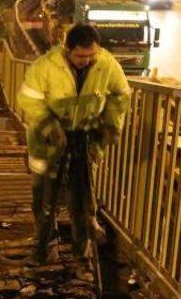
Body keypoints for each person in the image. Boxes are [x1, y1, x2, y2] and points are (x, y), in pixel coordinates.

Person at [17, 23, 130, 279]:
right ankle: (44, 248)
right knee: (44, 200)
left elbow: (120, 96)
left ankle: (82, 258)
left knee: (81, 203)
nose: (86, 61)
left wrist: (111, 125)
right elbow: (28, 100)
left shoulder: (106, 64)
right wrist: (49, 125)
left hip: (83, 141)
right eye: (80, 56)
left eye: (91, 56)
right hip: (46, 144)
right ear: (67, 49)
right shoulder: (45, 67)